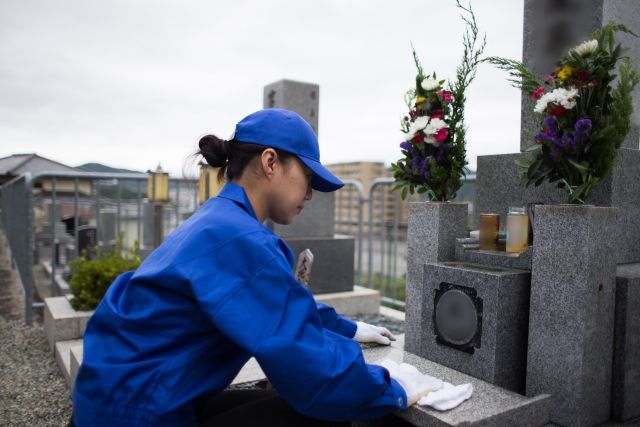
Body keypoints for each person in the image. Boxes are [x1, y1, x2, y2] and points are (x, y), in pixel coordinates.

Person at [71, 108, 430, 427]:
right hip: (141, 416)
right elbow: (314, 373)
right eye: (308, 176)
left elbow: (275, 303)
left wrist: (348, 328)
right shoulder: (242, 239)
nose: (310, 194)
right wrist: (393, 388)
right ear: (270, 162)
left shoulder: (220, 220)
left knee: (280, 404)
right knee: (321, 416)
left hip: (123, 403)